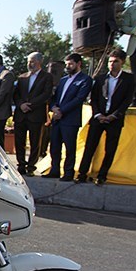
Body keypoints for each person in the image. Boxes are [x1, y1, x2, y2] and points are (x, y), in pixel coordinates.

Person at [76, 49, 135, 186]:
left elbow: (127, 100)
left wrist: (114, 115)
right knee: (90, 147)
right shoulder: (100, 78)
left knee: (110, 149)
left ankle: (102, 176)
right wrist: (98, 114)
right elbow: (94, 98)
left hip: (115, 120)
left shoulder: (128, 79)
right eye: (110, 61)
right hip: (98, 118)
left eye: (115, 61)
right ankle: (82, 174)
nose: (112, 64)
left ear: (122, 62)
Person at [44, 53, 93, 181]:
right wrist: (54, 108)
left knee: (70, 148)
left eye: (70, 64)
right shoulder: (63, 80)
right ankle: (54, 170)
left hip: (70, 120)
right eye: (66, 64)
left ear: (78, 64)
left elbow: (79, 99)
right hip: (57, 119)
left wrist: (62, 111)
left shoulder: (85, 80)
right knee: (54, 146)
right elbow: (55, 98)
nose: (68, 67)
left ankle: (68, 173)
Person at [12, 52, 53, 175]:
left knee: (35, 142)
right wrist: (21, 105)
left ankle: (31, 166)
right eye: (28, 61)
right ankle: (21, 164)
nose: (29, 64)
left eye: (32, 61)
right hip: (21, 115)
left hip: (36, 114)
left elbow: (46, 94)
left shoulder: (46, 77)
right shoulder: (22, 77)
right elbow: (16, 94)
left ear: (39, 62)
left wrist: (30, 105)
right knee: (19, 141)